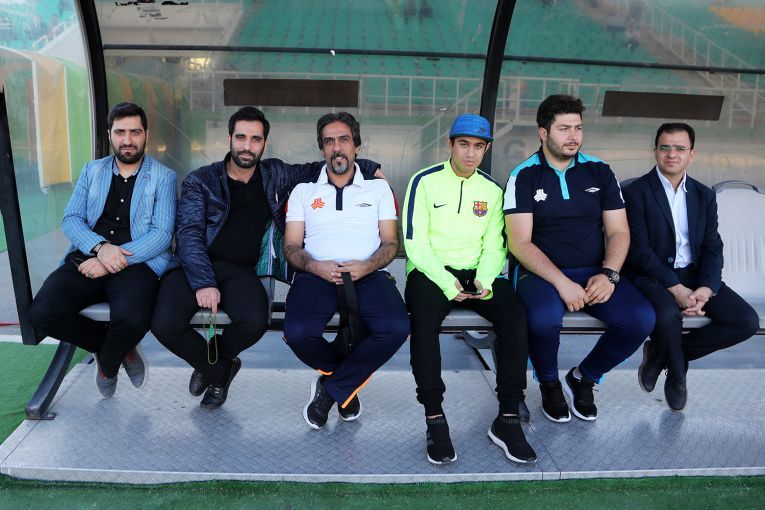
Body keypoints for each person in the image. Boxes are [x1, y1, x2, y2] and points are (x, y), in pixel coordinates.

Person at [150, 107, 381, 410]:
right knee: (164, 324)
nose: (247, 146)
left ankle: (214, 361)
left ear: (264, 144)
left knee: (256, 321)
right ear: (230, 139)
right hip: (192, 267)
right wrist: (204, 282)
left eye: (255, 139)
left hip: (240, 271)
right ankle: (219, 370)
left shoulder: (274, 173)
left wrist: (368, 166)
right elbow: (189, 234)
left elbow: (318, 167)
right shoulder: (201, 180)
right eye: (241, 137)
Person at [504, 95, 655, 423]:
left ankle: (584, 378)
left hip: (594, 270)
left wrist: (609, 274)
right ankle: (549, 384)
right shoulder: (524, 175)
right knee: (543, 319)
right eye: (563, 129)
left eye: (578, 128)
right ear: (543, 133)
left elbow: (619, 231)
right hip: (540, 273)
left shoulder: (599, 171)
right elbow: (519, 243)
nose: (573, 136)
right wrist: (561, 283)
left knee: (641, 318)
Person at [403, 114, 536, 465]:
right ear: (450, 144)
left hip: (478, 274)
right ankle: (434, 416)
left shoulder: (492, 190)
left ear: (486, 149)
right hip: (431, 272)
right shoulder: (424, 181)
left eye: (478, 146)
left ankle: (508, 416)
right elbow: (415, 244)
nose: (470, 153)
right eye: (463, 144)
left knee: (515, 316)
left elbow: (495, 245)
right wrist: (447, 284)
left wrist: (485, 280)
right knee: (424, 323)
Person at [30, 102, 176, 398]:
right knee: (42, 314)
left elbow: (162, 234)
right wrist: (99, 248)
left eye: (135, 132)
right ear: (110, 134)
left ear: (146, 135)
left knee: (134, 320)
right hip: (87, 257)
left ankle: (107, 364)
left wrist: (111, 259)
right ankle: (118, 348)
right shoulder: (92, 170)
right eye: (120, 132)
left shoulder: (164, 176)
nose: (127, 140)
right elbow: (71, 218)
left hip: (138, 263)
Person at [282, 112, 409, 429]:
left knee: (396, 327)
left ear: (357, 146)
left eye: (343, 140)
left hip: (367, 274)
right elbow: (292, 247)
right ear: (322, 149)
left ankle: (332, 389)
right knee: (297, 333)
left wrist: (367, 265)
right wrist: (315, 265)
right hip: (316, 275)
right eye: (329, 142)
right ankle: (346, 384)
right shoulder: (303, 191)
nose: (336, 147)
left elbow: (390, 243)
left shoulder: (378, 189)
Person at [623, 122, 758, 411]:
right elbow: (638, 251)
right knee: (668, 316)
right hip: (652, 276)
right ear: (655, 151)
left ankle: (664, 354)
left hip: (695, 276)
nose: (672, 154)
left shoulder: (704, 195)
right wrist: (676, 288)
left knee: (745, 321)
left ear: (691, 154)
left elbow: (712, 247)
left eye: (680, 148)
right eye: (665, 147)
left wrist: (706, 289)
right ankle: (677, 376)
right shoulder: (635, 192)